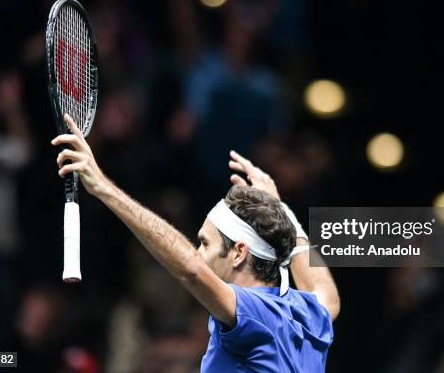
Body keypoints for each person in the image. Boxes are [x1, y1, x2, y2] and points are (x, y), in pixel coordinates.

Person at [51, 114, 340, 372]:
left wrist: (103, 187)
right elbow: (326, 294)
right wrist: (281, 210)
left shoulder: (254, 312)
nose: (198, 253)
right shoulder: (308, 315)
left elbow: (191, 269)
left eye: (204, 244)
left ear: (239, 252)